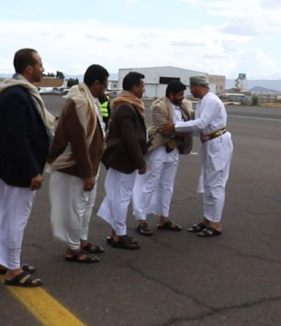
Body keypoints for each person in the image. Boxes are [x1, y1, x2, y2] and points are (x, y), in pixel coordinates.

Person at [0, 48, 55, 287]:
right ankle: (13, 270)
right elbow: (17, 138)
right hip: (17, 168)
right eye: (40, 64)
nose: (43, 69)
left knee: (7, 215)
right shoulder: (17, 95)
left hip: (11, 164)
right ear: (29, 68)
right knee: (16, 218)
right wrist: (32, 171)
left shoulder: (19, 92)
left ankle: (7, 261)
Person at [48, 64, 108, 264]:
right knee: (75, 208)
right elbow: (78, 141)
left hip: (90, 165)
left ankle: (81, 240)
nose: (105, 90)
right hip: (76, 167)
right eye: (104, 85)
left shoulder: (90, 100)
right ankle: (72, 249)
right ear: (96, 83)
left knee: (86, 205)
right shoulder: (79, 101)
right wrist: (87, 173)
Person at [160, 75, 233, 238]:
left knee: (216, 184)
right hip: (209, 142)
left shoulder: (211, 101)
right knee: (208, 183)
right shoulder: (202, 102)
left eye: (191, 87)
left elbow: (200, 124)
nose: (190, 90)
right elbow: (197, 126)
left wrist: (175, 126)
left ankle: (216, 223)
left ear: (198, 86)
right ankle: (207, 219)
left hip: (218, 143)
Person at [132, 80, 193, 236]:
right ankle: (141, 220)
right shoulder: (158, 107)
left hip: (173, 149)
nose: (183, 97)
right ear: (171, 94)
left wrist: (181, 128)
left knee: (167, 186)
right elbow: (166, 130)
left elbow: (188, 127)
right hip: (159, 149)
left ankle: (163, 219)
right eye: (180, 94)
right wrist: (185, 129)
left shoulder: (184, 106)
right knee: (150, 183)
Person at [97, 72, 147, 250]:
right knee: (121, 197)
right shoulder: (126, 107)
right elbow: (129, 138)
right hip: (124, 160)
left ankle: (114, 233)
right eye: (142, 86)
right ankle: (120, 234)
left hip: (120, 159)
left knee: (115, 195)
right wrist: (140, 162)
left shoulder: (124, 105)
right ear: (134, 87)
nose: (143, 89)